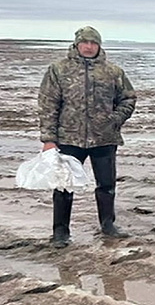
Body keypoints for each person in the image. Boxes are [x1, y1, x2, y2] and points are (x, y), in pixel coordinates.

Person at [38, 26, 137, 248]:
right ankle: (60, 232)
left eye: (93, 43)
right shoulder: (58, 70)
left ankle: (108, 225)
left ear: (99, 45)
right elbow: (47, 105)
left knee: (107, 184)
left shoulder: (113, 72)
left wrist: (115, 119)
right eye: (85, 42)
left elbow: (128, 99)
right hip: (69, 139)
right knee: (64, 186)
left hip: (104, 139)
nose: (89, 47)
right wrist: (48, 139)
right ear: (77, 44)